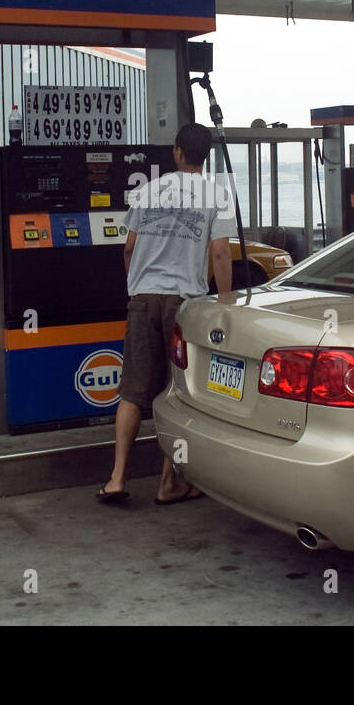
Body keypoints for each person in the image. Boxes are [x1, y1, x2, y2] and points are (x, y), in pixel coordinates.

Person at [98, 122, 234, 506]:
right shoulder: (216, 194)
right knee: (175, 394)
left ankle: (117, 478)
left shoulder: (147, 190)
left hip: (143, 298)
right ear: (204, 155)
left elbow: (128, 249)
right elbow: (221, 254)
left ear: (177, 151)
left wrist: (137, 286)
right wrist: (224, 307)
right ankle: (167, 484)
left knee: (131, 392)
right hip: (184, 306)